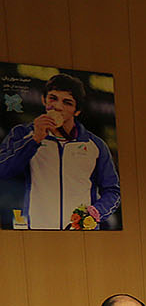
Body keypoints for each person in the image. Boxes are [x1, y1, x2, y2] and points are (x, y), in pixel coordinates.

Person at [0, 72, 120, 230]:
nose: (58, 106)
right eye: (53, 98)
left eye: (67, 103)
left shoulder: (96, 145)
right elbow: (3, 171)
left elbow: (112, 190)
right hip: (36, 232)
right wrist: (35, 139)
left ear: (77, 111)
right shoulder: (22, 134)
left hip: (82, 234)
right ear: (44, 100)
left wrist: (95, 213)